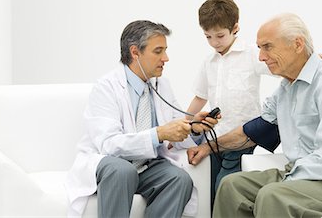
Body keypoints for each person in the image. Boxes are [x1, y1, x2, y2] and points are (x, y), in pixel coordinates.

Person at [187, 13, 322, 217]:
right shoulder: (285, 89)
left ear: (298, 44)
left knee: (271, 195)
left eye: (267, 47)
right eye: (260, 48)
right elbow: (252, 132)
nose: (261, 57)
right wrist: (207, 148)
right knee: (230, 186)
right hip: (299, 173)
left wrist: (288, 180)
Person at [65, 20, 219, 218]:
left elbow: (175, 127)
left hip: (146, 165)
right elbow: (109, 144)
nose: (166, 58)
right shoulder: (106, 88)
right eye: (158, 51)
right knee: (122, 171)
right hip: (111, 164)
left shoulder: (161, 85)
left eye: (165, 50)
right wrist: (159, 134)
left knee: (179, 180)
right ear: (135, 52)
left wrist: (194, 127)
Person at [187, 0, 271, 206]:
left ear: (235, 28)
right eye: (208, 37)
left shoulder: (252, 53)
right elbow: (200, 96)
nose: (214, 43)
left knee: (226, 188)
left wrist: (313, 60)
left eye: (220, 36)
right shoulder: (209, 61)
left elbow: (281, 68)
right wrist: (184, 125)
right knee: (210, 195)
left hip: (242, 139)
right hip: (213, 140)